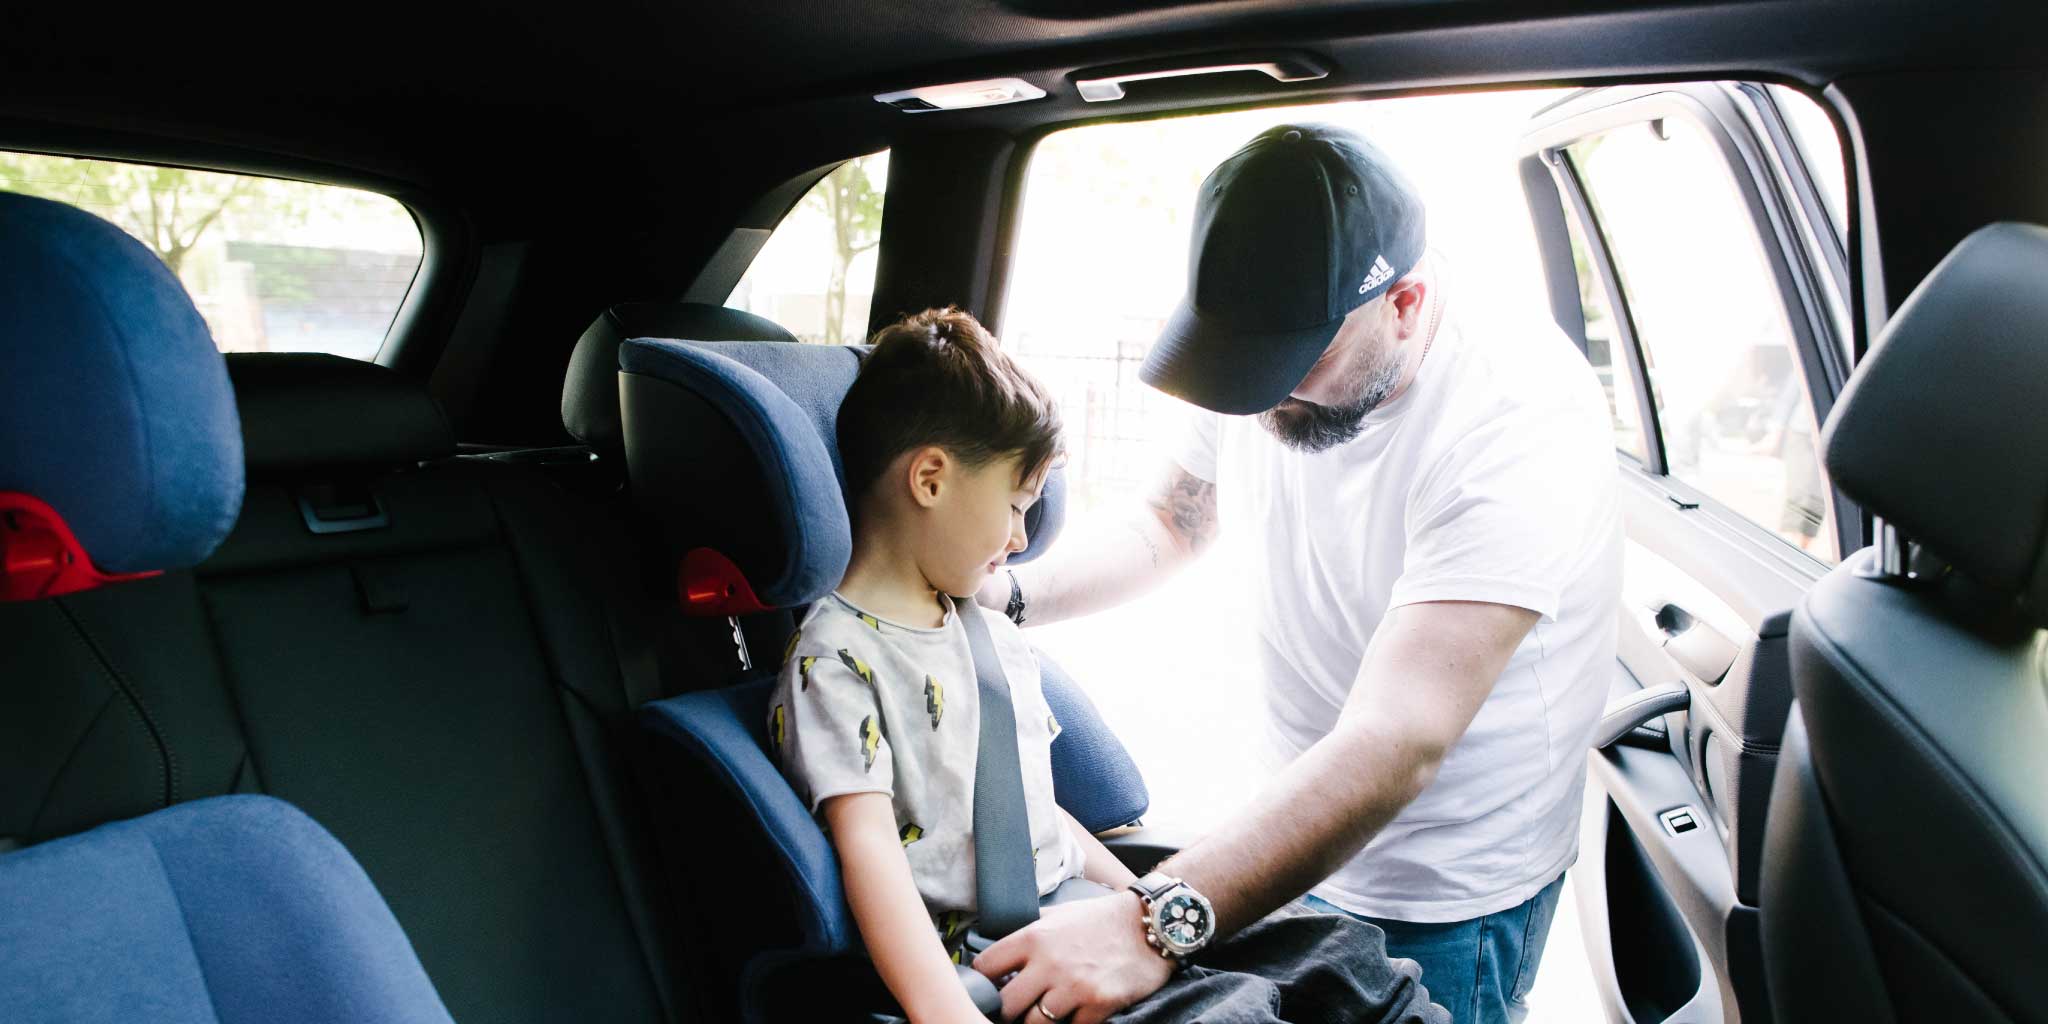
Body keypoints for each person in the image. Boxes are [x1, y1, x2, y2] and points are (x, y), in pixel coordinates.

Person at [970, 123, 1623, 1024]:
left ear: (1406, 303)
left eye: (1296, 363)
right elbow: (1171, 520)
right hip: (1288, 831)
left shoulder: (1516, 420)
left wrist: (1155, 923)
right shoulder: (1266, 356)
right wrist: (1002, 596)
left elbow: (1398, 738)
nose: (1262, 395)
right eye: (1239, 363)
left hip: (1443, 887)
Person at [772, 307, 1448, 1024]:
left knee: (1337, 955)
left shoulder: (986, 633)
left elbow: (1032, 812)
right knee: (1238, 1015)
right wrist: (946, 1013)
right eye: (1013, 505)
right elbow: (870, 854)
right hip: (990, 960)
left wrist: (1141, 912)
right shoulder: (838, 660)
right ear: (931, 480)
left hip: (1073, 912)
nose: (1021, 536)